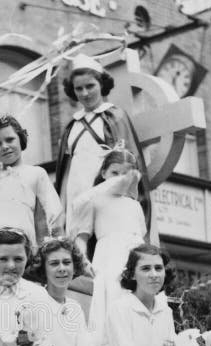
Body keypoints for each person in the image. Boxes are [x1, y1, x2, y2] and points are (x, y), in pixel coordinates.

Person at [54, 54, 154, 239]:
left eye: (90, 86)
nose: (85, 93)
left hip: (106, 199)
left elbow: (127, 167)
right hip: (77, 200)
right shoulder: (72, 125)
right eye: (79, 88)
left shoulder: (115, 117)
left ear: (101, 84)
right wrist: (61, 212)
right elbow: (66, 172)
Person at [70, 147, 147, 341]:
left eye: (125, 173)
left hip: (135, 257)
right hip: (110, 257)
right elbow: (82, 236)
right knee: (114, 300)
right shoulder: (94, 200)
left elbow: (141, 238)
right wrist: (83, 260)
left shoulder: (135, 205)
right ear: (103, 173)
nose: (119, 178)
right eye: (114, 172)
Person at [0, 115, 63, 248]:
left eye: (10, 140)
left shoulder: (36, 173)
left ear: (20, 139)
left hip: (24, 242)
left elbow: (53, 213)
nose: (4, 146)